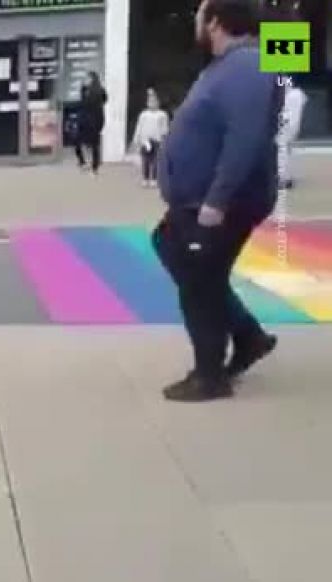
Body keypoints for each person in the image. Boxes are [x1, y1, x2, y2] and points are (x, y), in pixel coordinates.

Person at [152, 0, 281, 402]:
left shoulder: (247, 68)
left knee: (198, 280)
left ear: (216, 23)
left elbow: (245, 141)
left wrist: (217, 200)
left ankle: (209, 376)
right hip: (198, 199)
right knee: (173, 249)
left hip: (219, 201)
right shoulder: (225, 67)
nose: (195, 22)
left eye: (199, 16)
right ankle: (247, 335)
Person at [131, 88, 170, 188]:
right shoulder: (144, 114)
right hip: (145, 140)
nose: (152, 103)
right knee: (146, 160)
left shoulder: (162, 114)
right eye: (150, 101)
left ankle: (154, 179)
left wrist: (164, 139)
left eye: (154, 101)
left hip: (157, 140)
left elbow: (165, 128)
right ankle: (145, 178)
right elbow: (139, 126)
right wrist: (136, 139)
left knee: (156, 160)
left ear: (158, 102)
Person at [75, 71, 107, 174]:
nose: (85, 80)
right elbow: (82, 104)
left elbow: (104, 100)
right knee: (77, 141)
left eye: (87, 78)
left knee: (94, 145)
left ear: (93, 79)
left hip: (94, 121)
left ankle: (94, 167)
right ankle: (83, 162)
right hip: (85, 121)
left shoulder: (99, 91)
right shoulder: (85, 91)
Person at [278, 85, 307, 189]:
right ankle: (286, 176)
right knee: (286, 145)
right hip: (291, 121)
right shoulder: (297, 93)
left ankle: (283, 177)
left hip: (286, 118)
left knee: (282, 144)